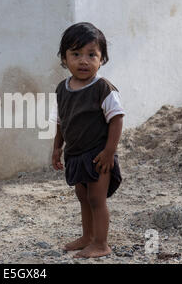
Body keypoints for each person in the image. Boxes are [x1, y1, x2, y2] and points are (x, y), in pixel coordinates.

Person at [50, 22, 125, 258]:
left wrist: (109, 152)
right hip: (75, 153)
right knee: (82, 196)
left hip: (98, 153)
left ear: (101, 59)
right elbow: (62, 120)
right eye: (76, 54)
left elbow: (117, 119)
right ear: (64, 58)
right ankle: (87, 236)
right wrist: (56, 148)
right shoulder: (62, 88)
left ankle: (101, 243)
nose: (84, 61)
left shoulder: (103, 88)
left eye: (91, 55)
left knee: (96, 197)